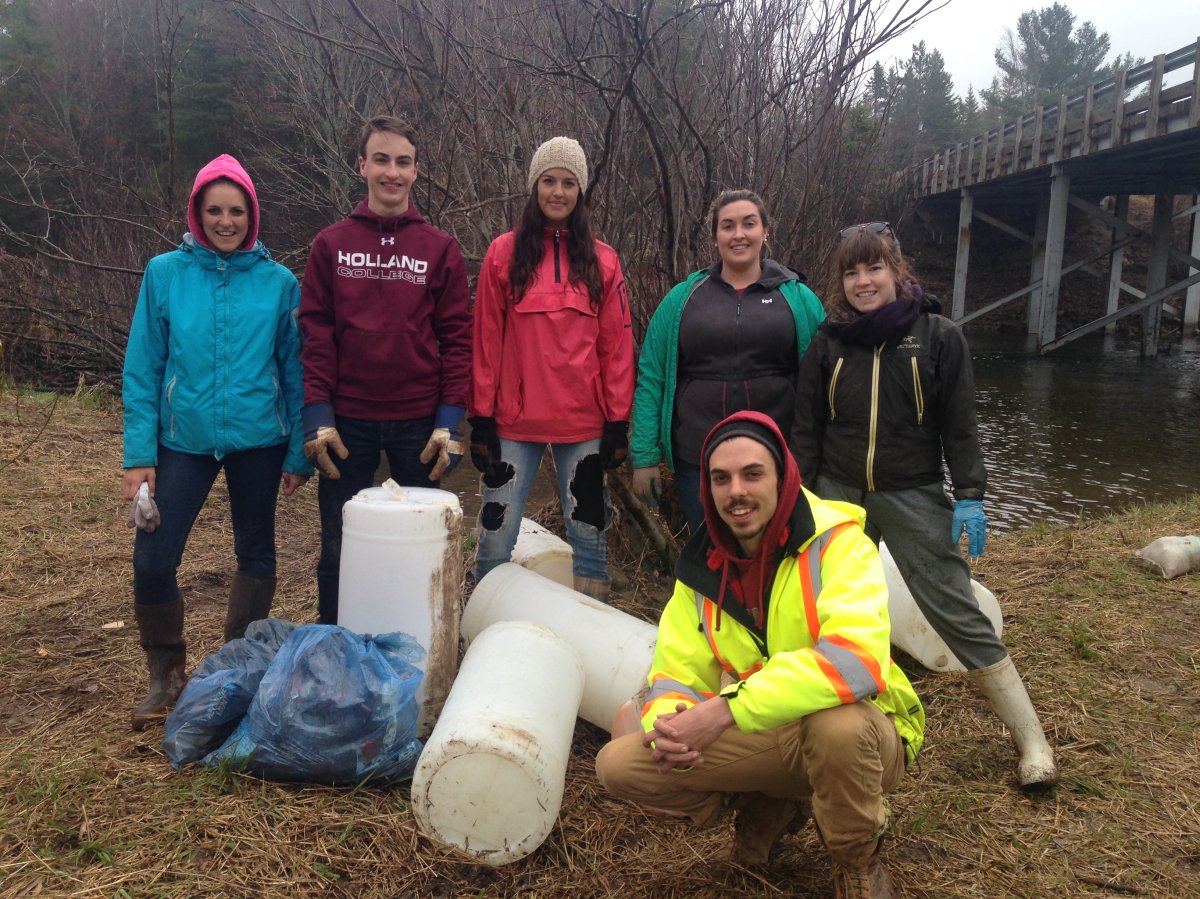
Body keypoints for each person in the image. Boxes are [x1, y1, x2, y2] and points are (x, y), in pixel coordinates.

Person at [596, 411, 923, 898]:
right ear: (707, 489)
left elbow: (857, 661)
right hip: (767, 729)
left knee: (837, 726)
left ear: (783, 476)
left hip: (867, 729)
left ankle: (857, 862)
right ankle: (771, 798)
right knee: (619, 765)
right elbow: (673, 671)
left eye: (753, 474)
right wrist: (674, 721)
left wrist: (725, 711)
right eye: (721, 478)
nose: (736, 492)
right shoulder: (701, 569)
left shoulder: (840, 545)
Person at [791, 221, 1058, 789]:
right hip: (837, 495)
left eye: (874, 268)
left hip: (911, 493)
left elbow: (960, 427)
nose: (864, 281)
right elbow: (806, 427)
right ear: (842, 281)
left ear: (897, 270)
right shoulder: (829, 341)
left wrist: (970, 496)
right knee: (826, 609)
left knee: (953, 604)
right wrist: (801, 495)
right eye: (852, 271)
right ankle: (826, 725)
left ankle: (1031, 740)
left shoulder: (938, 336)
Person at [121, 154, 311, 731]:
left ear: (251, 216)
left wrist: (300, 449)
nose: (225, 221)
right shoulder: (164, 274)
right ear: (197, 214)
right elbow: (143, 367)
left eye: (236, 211)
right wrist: (138, 455)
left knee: (256, 554)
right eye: (214, 210)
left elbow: (298, 370)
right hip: (184, 439)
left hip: (260, 439)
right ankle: (166, 677)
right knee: (153, 558)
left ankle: (237, 668)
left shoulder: (280, 284)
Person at [300, 115, 472, 625]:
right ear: (362, 166)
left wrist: (448, 421)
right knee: (338, 545)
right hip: (345, 423)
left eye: (402, 162)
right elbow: (315, 336)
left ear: (417, 171)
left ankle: (424, 646)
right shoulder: (330, 245)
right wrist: (317, 414)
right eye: (381, 160)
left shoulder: (439, 248)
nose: (391, 172)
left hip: (419, 424)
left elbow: (458, 341)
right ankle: (332, 646)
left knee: (426, 544)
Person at [469, 137, 635, 600]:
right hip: (514, 422)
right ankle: (482, 626)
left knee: (587, 533)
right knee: (496, 532)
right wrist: (481, 419)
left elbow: (616, 345)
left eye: (568, 182)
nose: (557, 192)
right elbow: (485, 339)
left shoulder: (604, 260)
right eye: (548, 181)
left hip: (582, 421)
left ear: (580, 191)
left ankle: (591, 628)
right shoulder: (503, 254)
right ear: (534, 186)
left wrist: (617, 422)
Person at [629, 189, 825, 534]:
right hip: (699, 461)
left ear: (765, 231)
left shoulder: (798, 297)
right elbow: (652, 375)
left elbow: (824, 378)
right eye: (727, 226)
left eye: (749, 224)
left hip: (777, 458)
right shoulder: (683, 298)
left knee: (778, 556)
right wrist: (643, 456)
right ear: (715, 236)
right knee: (710, 558)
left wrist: (818, 453)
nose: (738, 234)